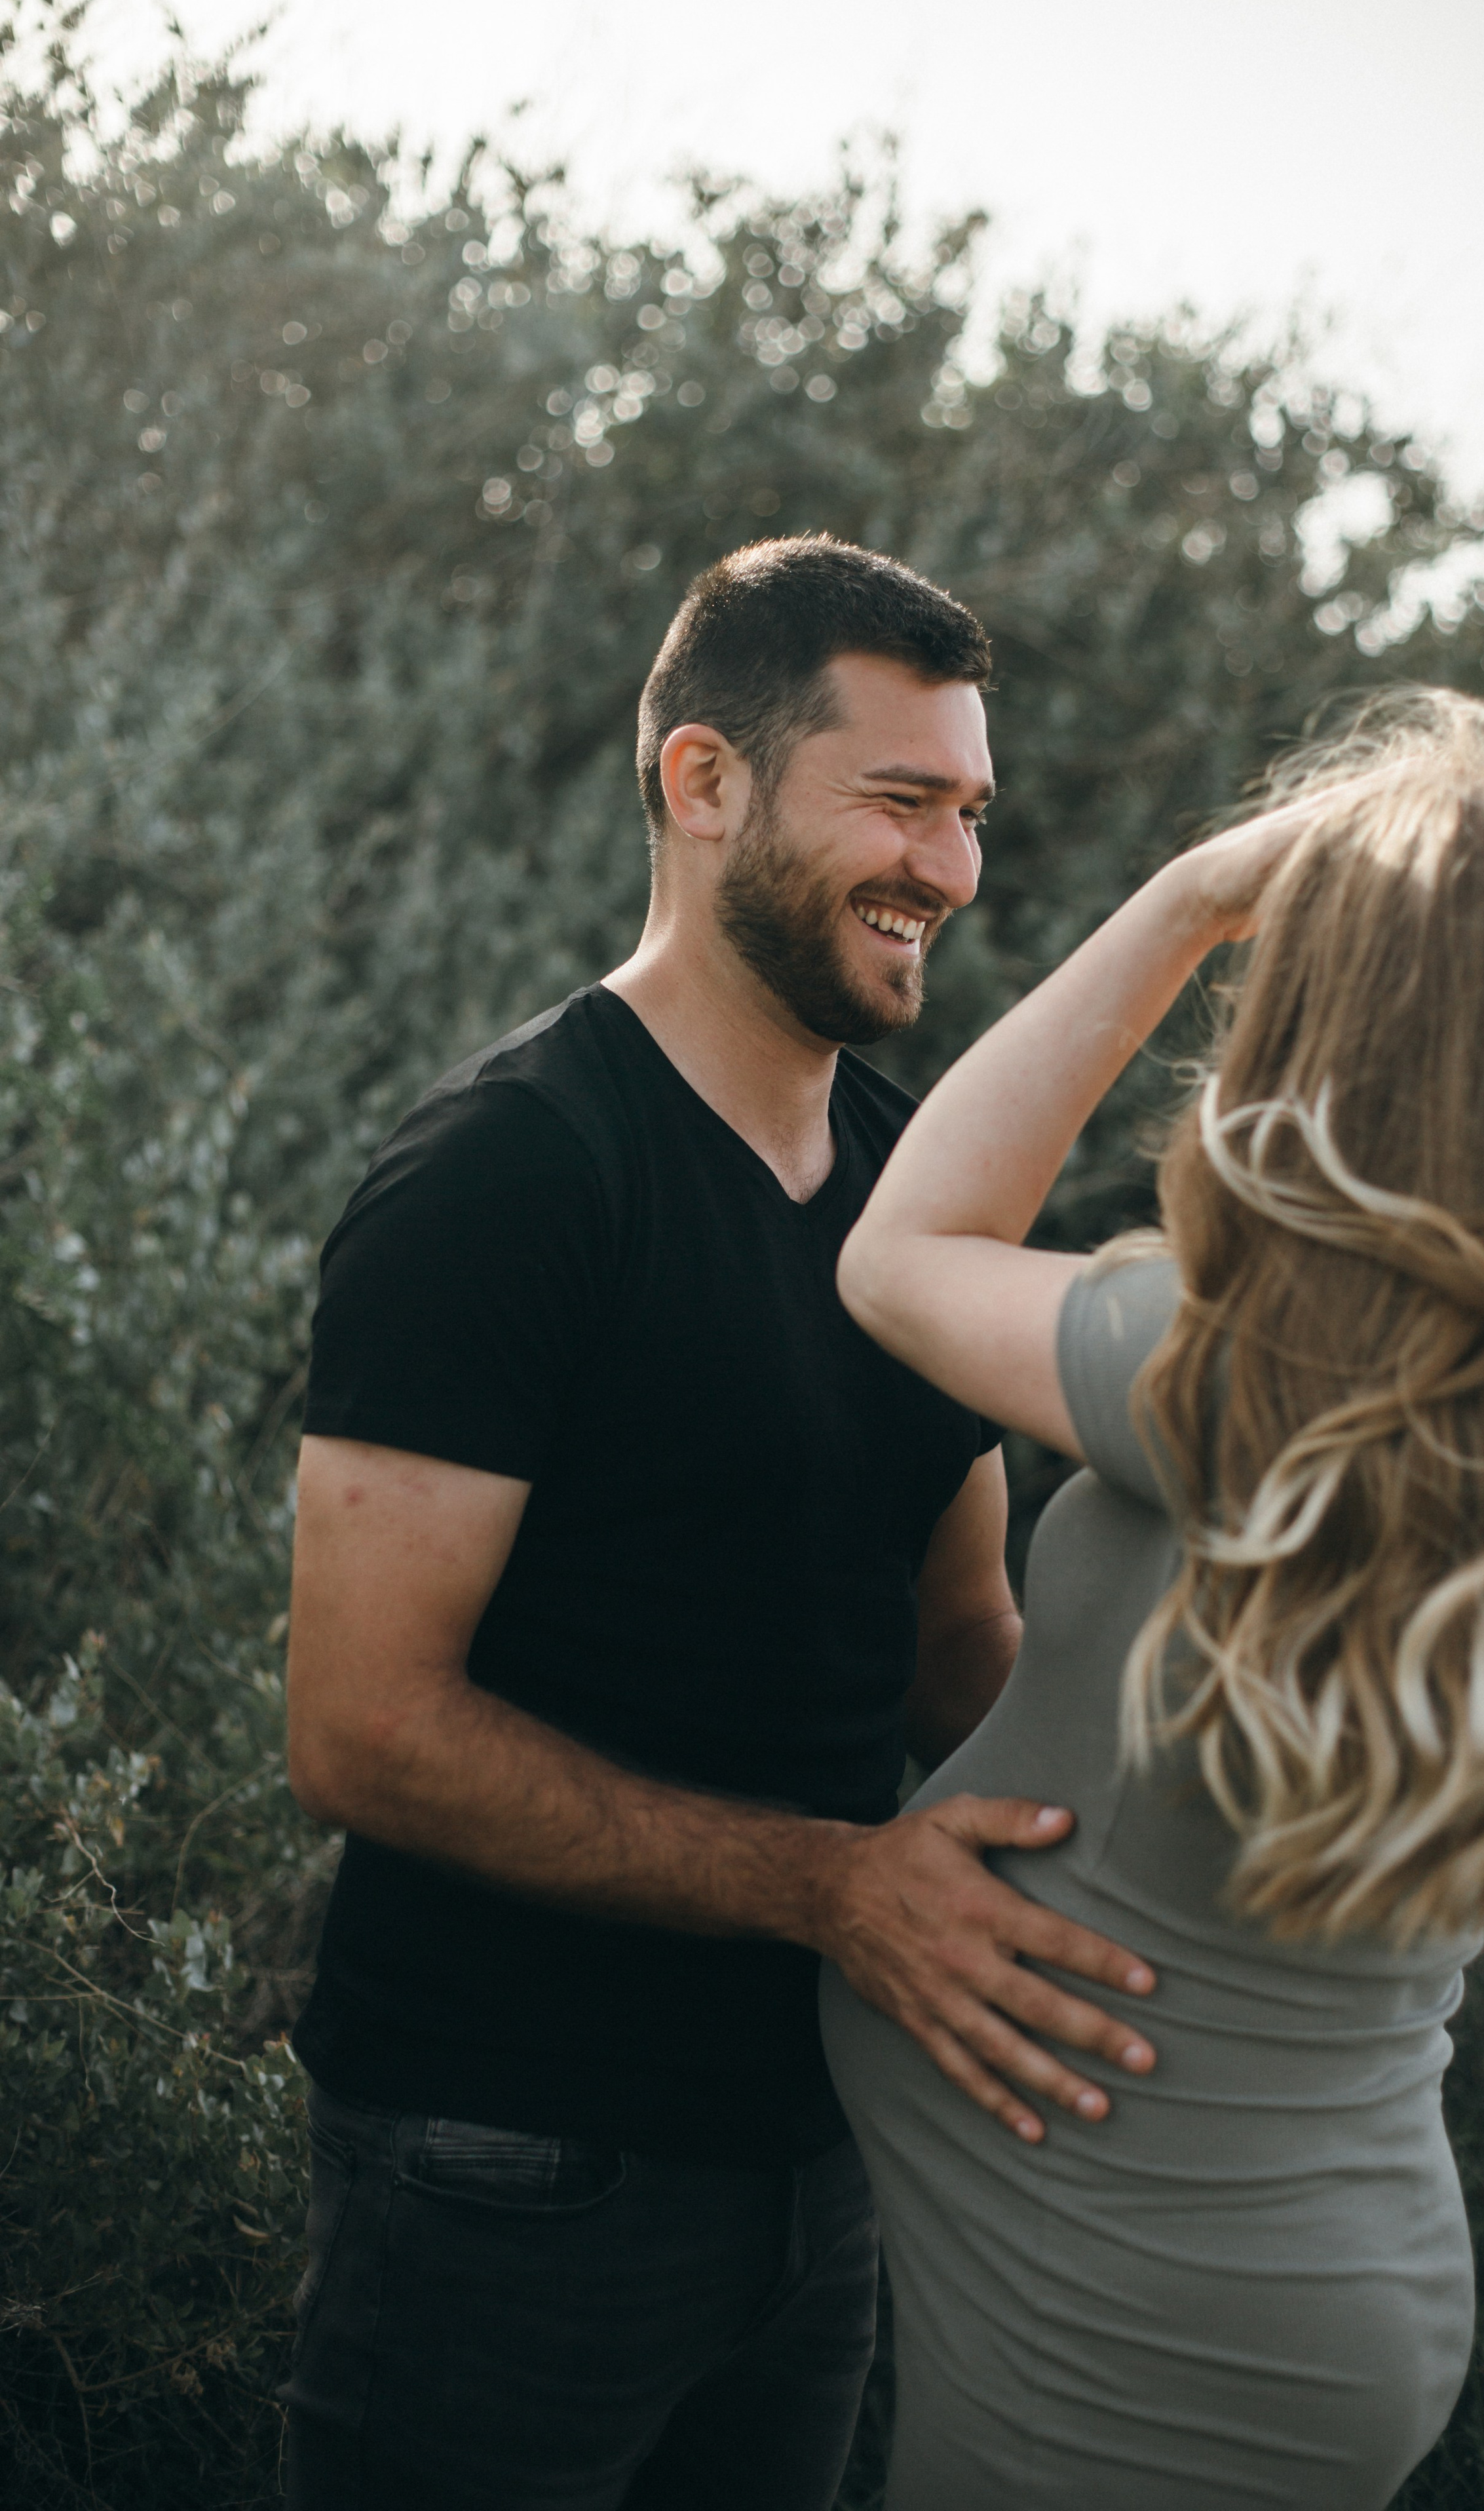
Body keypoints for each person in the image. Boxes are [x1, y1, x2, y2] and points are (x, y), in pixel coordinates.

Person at [279, 535, 1161, 2511]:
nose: (950, 866)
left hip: (827, 2161)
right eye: (901, 799)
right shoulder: (505, 1178)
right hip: (509, 2168)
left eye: (973, 813)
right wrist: (840, 1889)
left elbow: (962, 1652)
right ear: (704, 784)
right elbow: (361, 1725)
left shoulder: (911, 1199)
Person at [821, 690, 1484, 2510]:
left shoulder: (1251, 1387)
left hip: (1128, 2308)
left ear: (1352, 1016)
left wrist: (1195, 893)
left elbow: (901, 1257)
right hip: (1315, 2270)